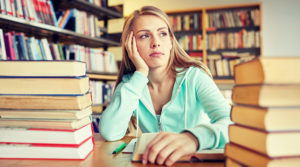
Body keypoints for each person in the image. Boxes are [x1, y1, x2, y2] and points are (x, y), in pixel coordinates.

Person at [100, 6, 231, 166]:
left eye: (162, 33)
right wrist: (141, 73)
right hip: (155, 163)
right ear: (130, 46)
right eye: (144, 36)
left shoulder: (195, 77)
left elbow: (232, 123)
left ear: (171, 42)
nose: (156, 43)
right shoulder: (131, 83)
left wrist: (193, 138)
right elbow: (109, 132)